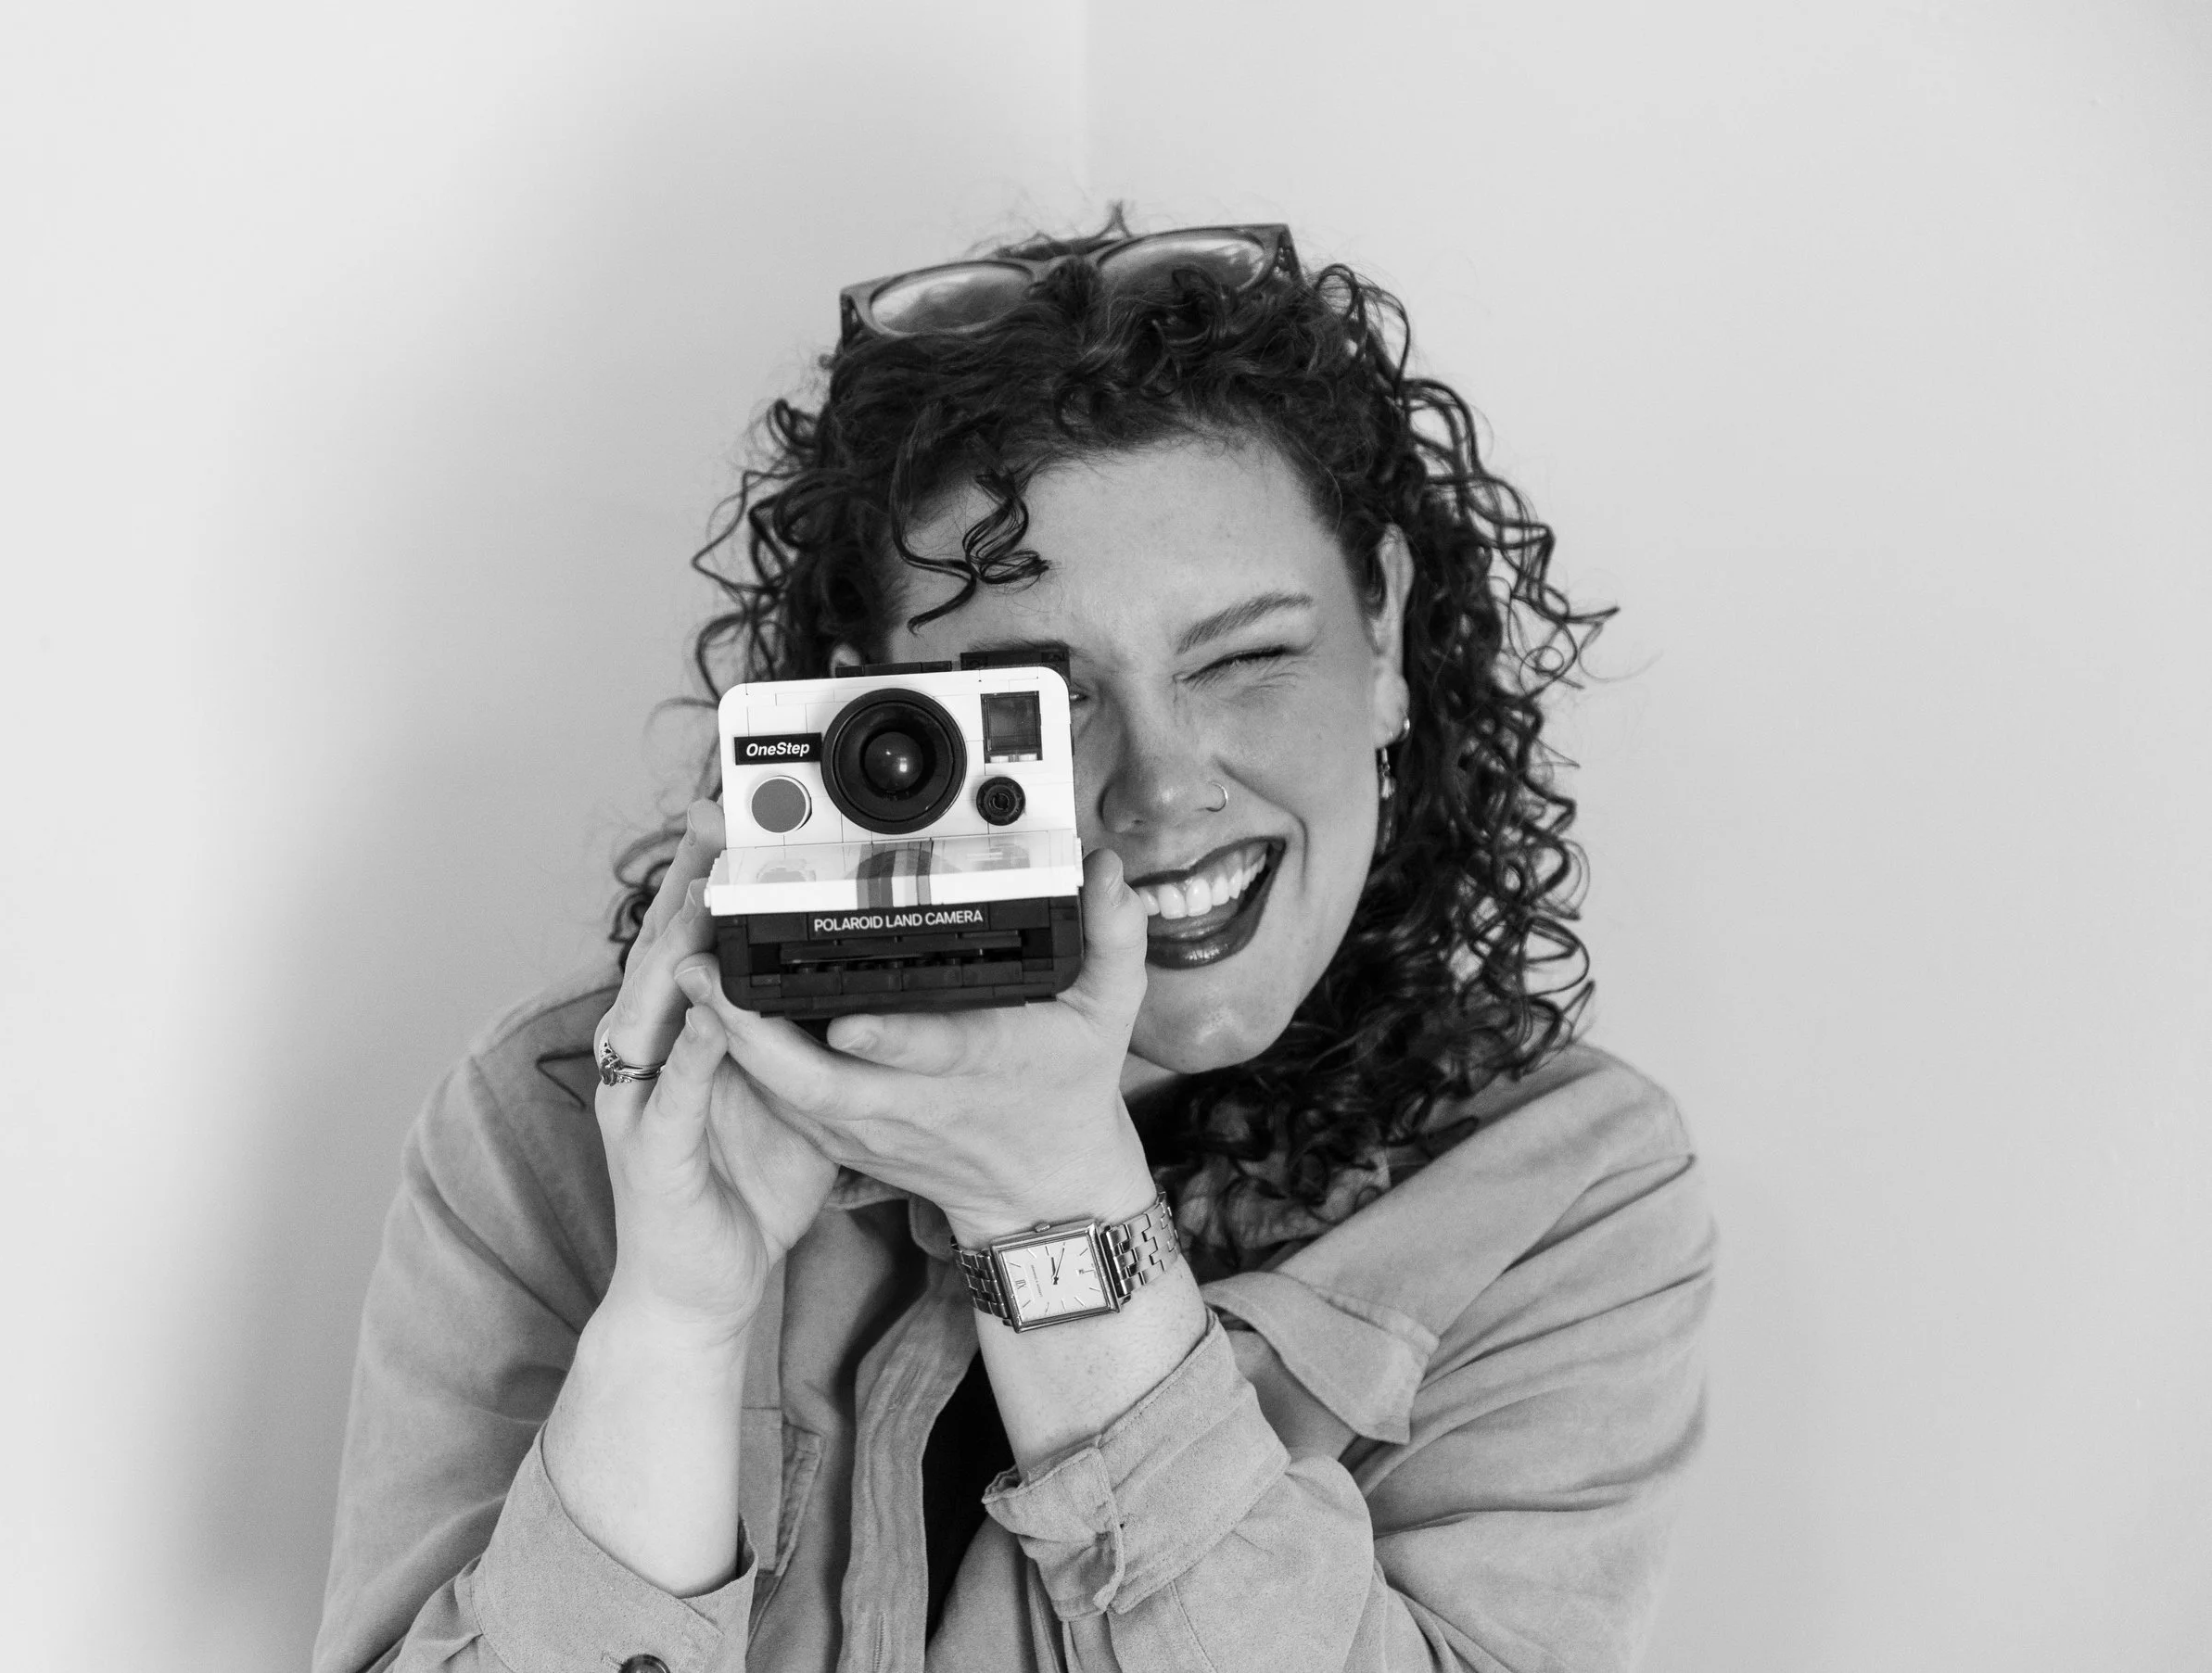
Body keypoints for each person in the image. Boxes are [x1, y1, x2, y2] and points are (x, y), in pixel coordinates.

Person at [313, 219, 1715, 1673]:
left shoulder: (1561, 1194)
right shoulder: (569, 1120)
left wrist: (1056, 1216)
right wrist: (675, 1315)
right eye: (1038, 711)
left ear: (1385, 629)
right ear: (872, 735)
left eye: (1243, 657)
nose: (1166, 792)